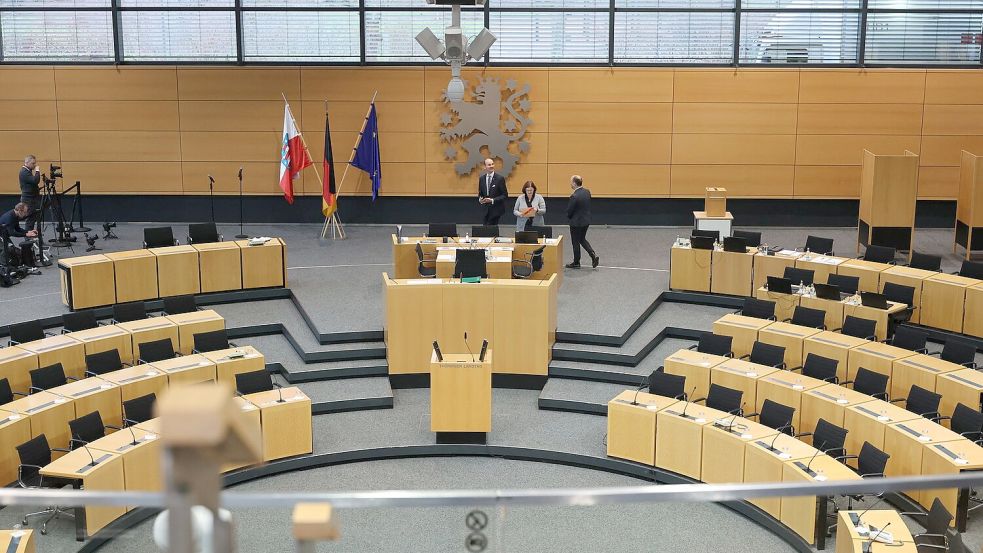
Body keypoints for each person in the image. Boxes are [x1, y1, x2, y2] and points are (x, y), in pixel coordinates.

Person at [565, 175, 598, 269]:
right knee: (582, 239)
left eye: (571, 182)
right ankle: (592, 254)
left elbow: (569, 211)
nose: (570, 184)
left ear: (574, 183)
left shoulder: (574, 196)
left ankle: (576, 262)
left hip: (576, 223)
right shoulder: (587, 192)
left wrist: (569, 217)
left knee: (575, 242)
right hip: (586, 221)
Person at [477, 158, 508, 225]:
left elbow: (505, 195)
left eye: (492, 164)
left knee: (492, 229)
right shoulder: (482, 179)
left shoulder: (500, 179)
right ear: (485, 167)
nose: (491, 166)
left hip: (496, 209)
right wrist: (480, 199)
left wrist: (492, 200)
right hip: (485, 210)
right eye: (489, 165)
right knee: (485, 229)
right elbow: (480, 193)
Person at [19, 155, 41, 230]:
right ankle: (28, 237)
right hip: (28, 199)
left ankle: (30, 234)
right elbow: (35, 181)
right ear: (27, 162)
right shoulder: (24, 172)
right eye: (33, 163)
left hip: (31, 198)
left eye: (35, 163)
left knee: (32, 217)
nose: (34, 165)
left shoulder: (28, 171)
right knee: (30, 218)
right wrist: (37, 171)